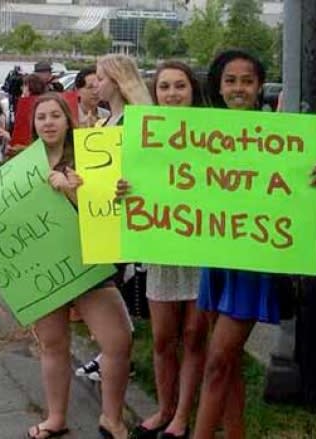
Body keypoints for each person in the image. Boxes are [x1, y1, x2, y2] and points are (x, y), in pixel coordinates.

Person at [0, 93, 132, 439]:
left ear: (68, 120)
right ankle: (56, 418)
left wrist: (71, 189)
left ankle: (112, 418)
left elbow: (108, 209)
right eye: (41, 117)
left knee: (118, 341)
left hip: (88, 264)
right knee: (52, 344)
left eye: (55, 116)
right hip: (42, 270)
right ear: (33, 125)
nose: (48, 122)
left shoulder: (91, 156)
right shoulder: (20, 164)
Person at [192, 49, 316, 439]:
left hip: (253, 262)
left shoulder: (280, 135)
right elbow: (166, 180)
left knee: (217, 361)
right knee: (228, 363)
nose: (238, 88)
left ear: (258, 87)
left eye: (246, 81)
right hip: (216, 258)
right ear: (219, 87)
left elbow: (297, 198)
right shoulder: (197, 132)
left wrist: (315, 182)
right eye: (230, 80)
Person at [116, 61, 207, 439]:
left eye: (180, 86)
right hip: (161, 248)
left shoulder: (212, 133)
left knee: (194, 337)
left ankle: (183, 415)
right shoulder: (141, 135)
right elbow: (129, 182)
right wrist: (123, 189)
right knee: (161, 338)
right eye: (165, 87)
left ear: (192, 91)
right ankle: (165, 408)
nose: (172, 93)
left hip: (202, 249)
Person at [74, 54, 151, 385]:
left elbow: (156, 138)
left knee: (121, 290)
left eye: (102, 79)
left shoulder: (133, 119)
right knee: (113, 289)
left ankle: (119, 358)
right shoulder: (105, 121)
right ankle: (111, 353)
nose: (96, 86)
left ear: (119, 82)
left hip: (127, 220)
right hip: (105, 222)